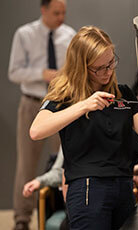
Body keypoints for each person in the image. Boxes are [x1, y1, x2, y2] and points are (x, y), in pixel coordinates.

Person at [29, 25, 138, 229]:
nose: (108, 71)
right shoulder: (64, 96)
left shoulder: (123, 94)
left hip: (124, 187)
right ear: (82, 67)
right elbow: (36, 131)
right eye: (99, 68)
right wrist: (84, 105)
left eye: (111, 63)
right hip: (88, 191)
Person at [8, 0, 75, 229]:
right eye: (56, 12)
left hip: (60, 104)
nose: (61, 17)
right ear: (43, 10)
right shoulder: (24, 34)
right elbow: (14, 72)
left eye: (64, 12)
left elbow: (75, 69)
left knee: (63, 162)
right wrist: (41, 74)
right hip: (32, 103)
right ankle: (21, 219)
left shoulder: (70, 35)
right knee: (26, 165)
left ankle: (61, 212)